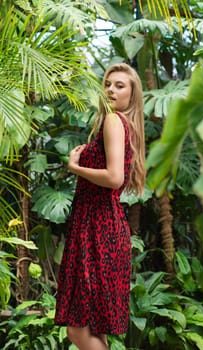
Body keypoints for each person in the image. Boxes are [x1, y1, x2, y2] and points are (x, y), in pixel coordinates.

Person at [54, 63, 145, 350]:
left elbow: (114, 178)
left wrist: (74, 167)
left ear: (132, 95)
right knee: (92, 328)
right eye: (108, 84)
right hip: (101, 227)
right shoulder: (121, 124)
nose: (110, 89)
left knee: (78, 331)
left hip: (99, 229)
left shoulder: (114, 121)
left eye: (120, 86)